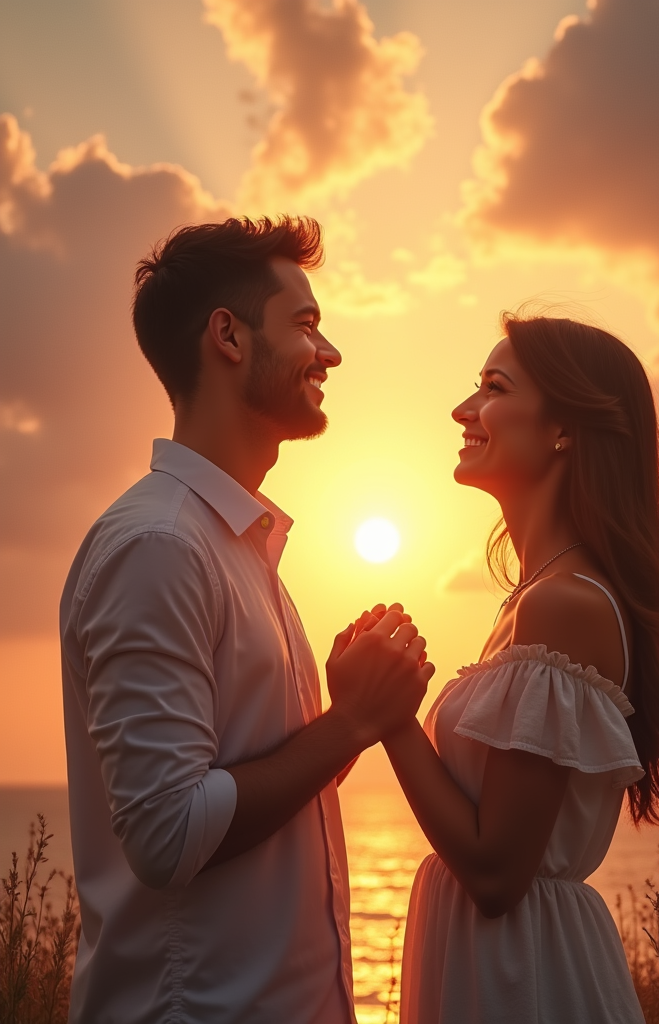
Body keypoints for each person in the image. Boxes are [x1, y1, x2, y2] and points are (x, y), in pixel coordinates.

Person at [59, 215, 434, 1023]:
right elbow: (168, 834)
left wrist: (342, 714)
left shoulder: (238, 546)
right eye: (305, 324)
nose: (329, 354)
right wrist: (352, 724)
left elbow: (256, 782)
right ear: (227, 337)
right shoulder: (159, 547)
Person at [380, 315, 659, 1023]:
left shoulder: (564, 605)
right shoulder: (532, 601)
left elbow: (496, 873)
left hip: (523, 977)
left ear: (565, 429)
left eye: (494, 388)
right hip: (499, 961)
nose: (464, 410)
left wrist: (391, 718)